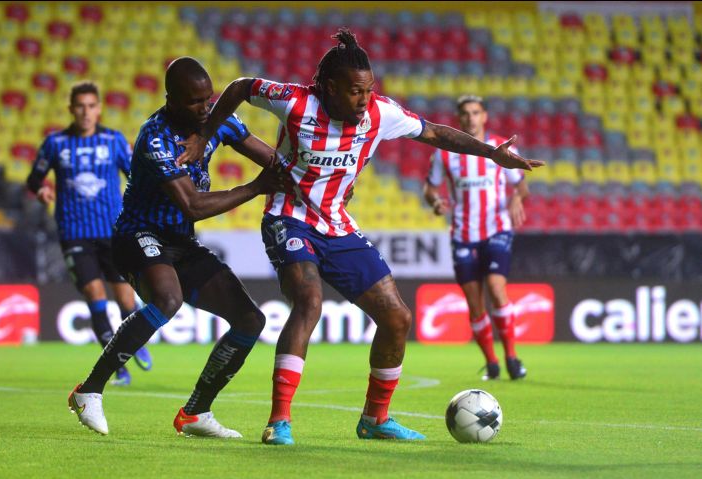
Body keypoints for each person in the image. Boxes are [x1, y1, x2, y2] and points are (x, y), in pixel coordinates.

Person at [177, 29, 544, 445]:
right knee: (309, 301)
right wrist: (206, 135)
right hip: (289, 216)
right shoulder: (296, 102)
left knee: (397, 317)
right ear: (330, 88)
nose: (364, 100)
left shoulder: (380, 114)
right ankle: (279, 421)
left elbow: (437, 133)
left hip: (336, 223)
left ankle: (375, 419)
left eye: (368, 91)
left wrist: (490, 152)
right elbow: (242, 87)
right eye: (354, 92)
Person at [67, 57, 286, 438]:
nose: (205, 108)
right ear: (171, 100)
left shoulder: (217, 122)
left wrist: (314, 175)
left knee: (251, 319)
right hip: (138, 235)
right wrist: (254, 187)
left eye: (209, 99)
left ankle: (196, 412)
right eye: (194, 102)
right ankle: (89, 390)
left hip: (180, 243)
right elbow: (194, 205)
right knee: (168, 300)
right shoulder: (155, 137)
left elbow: (272, 158)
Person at [27, 81, 152, 387]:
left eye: (91, 106)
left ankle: (136, 342)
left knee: (125, 297)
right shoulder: (55, 143)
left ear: (99, 109)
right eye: (80, 106)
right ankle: (117, 366)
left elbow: (136, 174)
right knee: (95, 295)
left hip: (114, 232)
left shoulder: (113, 140)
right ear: (71, 109)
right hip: (74, 234)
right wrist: (41, 188)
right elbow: (34, 178)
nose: (86, 112)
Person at [423, 94, 529, 381]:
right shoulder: (444, 153)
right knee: (474, 302)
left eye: (475, 112)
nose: (470, 117)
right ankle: (492, 362)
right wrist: (435, 202)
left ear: (484, 117)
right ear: (459, 119)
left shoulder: (501, 147)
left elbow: (521, 185)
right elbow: (430, 189)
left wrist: (517, 199)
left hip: (497, 228)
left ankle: (511, 357)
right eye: (465, 113)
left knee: (496, 289)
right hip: (463, 233)